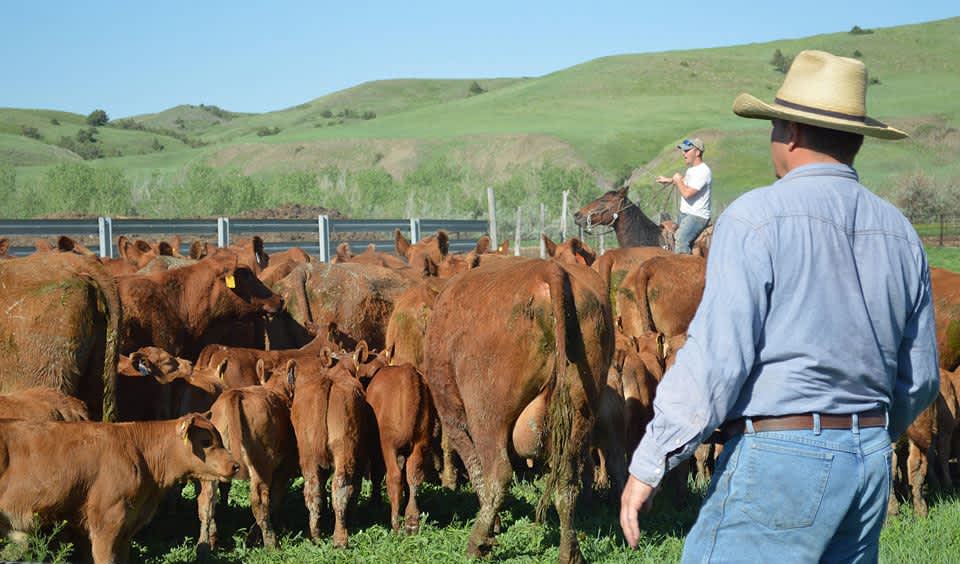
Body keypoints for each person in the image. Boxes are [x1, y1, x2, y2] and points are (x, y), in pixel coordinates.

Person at [620, 50, 939, 562]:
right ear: (855, 140)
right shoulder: (900, 233)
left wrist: (652, 458)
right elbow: (921, 375)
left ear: (789, 132)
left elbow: (717, 359)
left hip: (781, 455)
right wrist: (867, 432)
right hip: (868, 461)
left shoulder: (756, 218)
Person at [656, 137, 711, 253]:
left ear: (697, 152)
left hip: (697, 216)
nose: (683, 153)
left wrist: (677, 179)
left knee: (680, 239)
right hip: (685, 215)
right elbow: (685, 181)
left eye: (687, 151)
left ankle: (684, 268)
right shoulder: (692, 170)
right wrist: (670, 180)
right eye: (683, 151)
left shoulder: (703, 171)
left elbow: (687, 194)